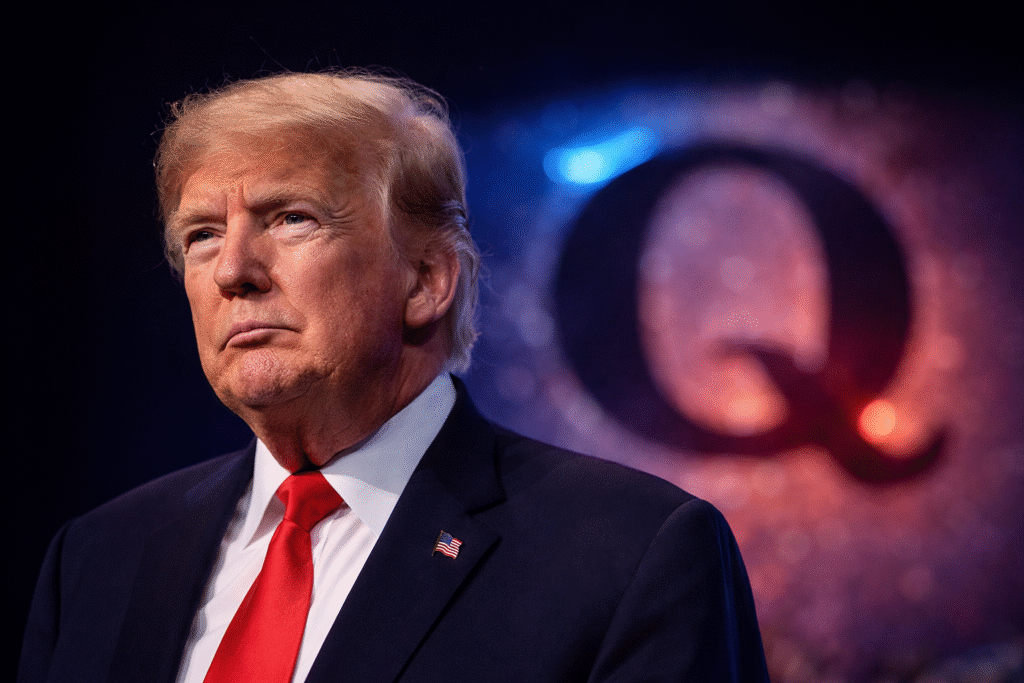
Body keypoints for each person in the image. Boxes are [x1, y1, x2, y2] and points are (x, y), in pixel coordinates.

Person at [19, 70, 769, 683]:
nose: (234, 273)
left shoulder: (632, 554)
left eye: (292, 218)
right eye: (203, 235)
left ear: (426, 279)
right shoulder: (98, 558)